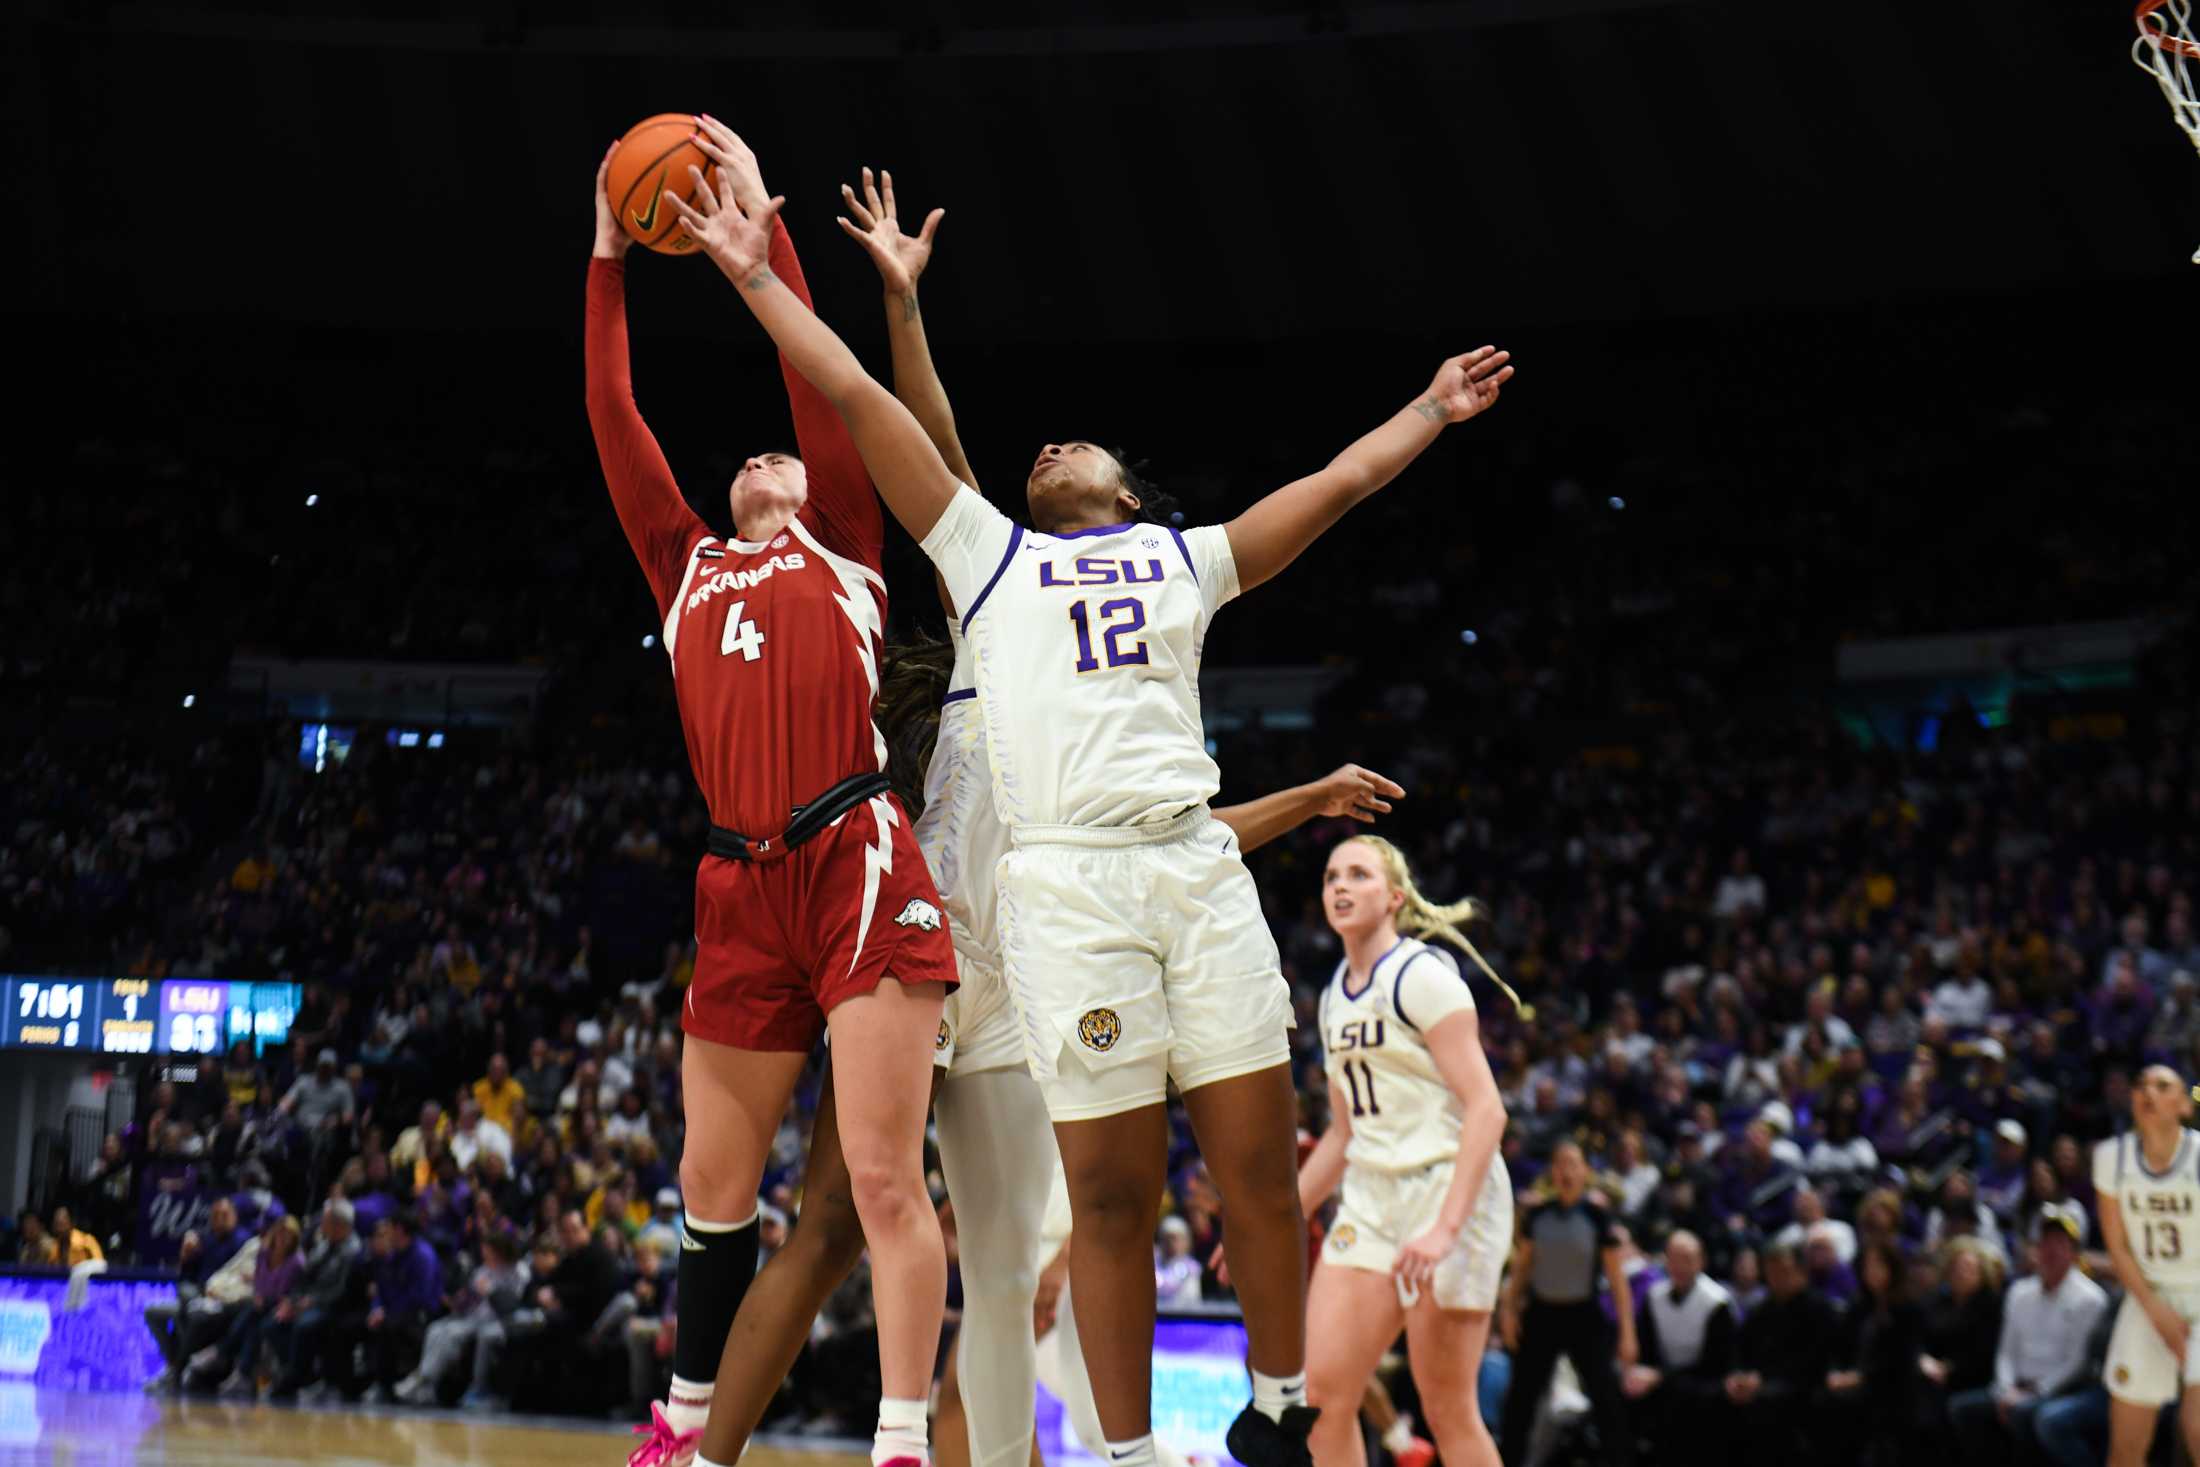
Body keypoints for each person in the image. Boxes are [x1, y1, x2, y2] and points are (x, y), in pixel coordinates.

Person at [667, 121, 1510, 1467]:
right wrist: (813, 280)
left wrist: (1425, 412)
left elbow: (1330, 495)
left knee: (1114, 1222)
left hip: (1112, 902)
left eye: (1085, 449)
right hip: (969, 913)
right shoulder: (982, 576)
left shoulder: (1168, 574)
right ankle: (713, 1442)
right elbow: (894, 424)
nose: (1051, 445)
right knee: (896, 1214)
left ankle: (1211, 1415)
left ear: (1132, 498)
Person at [588, 123, 960, 1467]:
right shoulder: (684, 564)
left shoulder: (852, 540)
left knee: (875, 1179)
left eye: (779, 458)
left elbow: (824, 384)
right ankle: (682, 1428)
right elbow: (614, 419)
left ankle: (901, 1438)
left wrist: (763, 247)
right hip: (740, 879)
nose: (761, 459)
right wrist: (604, 253)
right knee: (711, 1190)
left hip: (854, 851)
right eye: (745, 465)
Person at [1295, 836, 1518, 1467]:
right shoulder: (1335, 992)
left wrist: (1446, 1229)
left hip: (1447, 1190)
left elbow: (1487, 1107)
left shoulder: (1420, 974)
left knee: (1447, 1409)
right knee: (1319, 1395)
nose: (1339, 886)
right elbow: (1343, 1134)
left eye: (1358, 875)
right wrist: (1276, 1219)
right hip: (1372, 1196)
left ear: (1394, 897)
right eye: (1331, 875)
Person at [1497, 1142, 1637, 1466]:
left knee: (1607, 1401)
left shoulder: (1597, 1217)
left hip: (1584, 1316)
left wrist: (1628, 1333)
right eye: (1560, 1164)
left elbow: (1617, 1281)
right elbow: (1520, 1272)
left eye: (1573, 1164)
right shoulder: (1536, 1216)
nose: (1566, 1171)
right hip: (1541, 1314)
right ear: (1551, 1172)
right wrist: (1508, 1311)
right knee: (1521, 1402)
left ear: (1585, 1171)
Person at [2095, 1063, 2200, 1467]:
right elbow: (2117, 1246)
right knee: (2124, 1451)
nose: (2147, 1092)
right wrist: (2157, 1312)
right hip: (2146, 1296)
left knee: (2197, 1427)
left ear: (2184, 1106)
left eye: (2162, 1085)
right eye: (2140, 1085)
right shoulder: (2110, 1157)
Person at [1947, 1203, 2107, 1466]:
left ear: (2074, 1252)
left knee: (2023, 1414)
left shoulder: (2090, 1299)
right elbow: (2007, 1350)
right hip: (2015, 1386)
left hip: (2058, 1389)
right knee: (1963, 1408)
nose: (2050, 1249)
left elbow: (2076, 1364)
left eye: (2059, 1242)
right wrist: (2004, 1389)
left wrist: (2036, 1392)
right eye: (2044, 1241)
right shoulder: (2019, 1292)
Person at [1622, 1231, 1735, 1467]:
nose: (1680, 1266)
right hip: (1661, 1376)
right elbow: (1646, 1349)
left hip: (1702, 1380)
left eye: (1687, 1259)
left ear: (1701, 1261)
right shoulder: (1654, 1296)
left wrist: (1661, 1377)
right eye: (1674, 1259)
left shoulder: (1717, 1302)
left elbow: (1716, 1363)